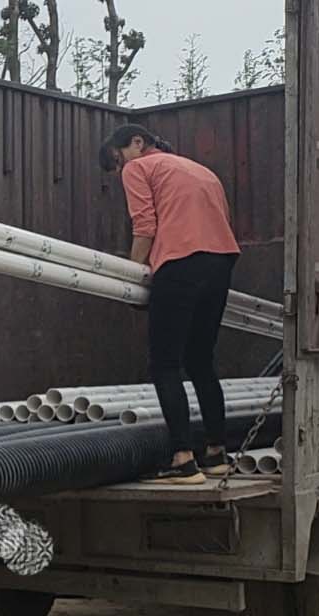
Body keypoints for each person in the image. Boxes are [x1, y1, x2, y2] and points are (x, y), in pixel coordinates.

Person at [100, 123, 243, 484]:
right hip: (221, 263)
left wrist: (132, 274)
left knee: (165, 363)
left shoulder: (139, 167)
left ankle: (182, 458)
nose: (119, 170)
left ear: (137, 142)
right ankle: (216, 453)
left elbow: (145, 225)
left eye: (117, 160)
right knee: (200, 361)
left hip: (180, 263)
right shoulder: (201, 171)